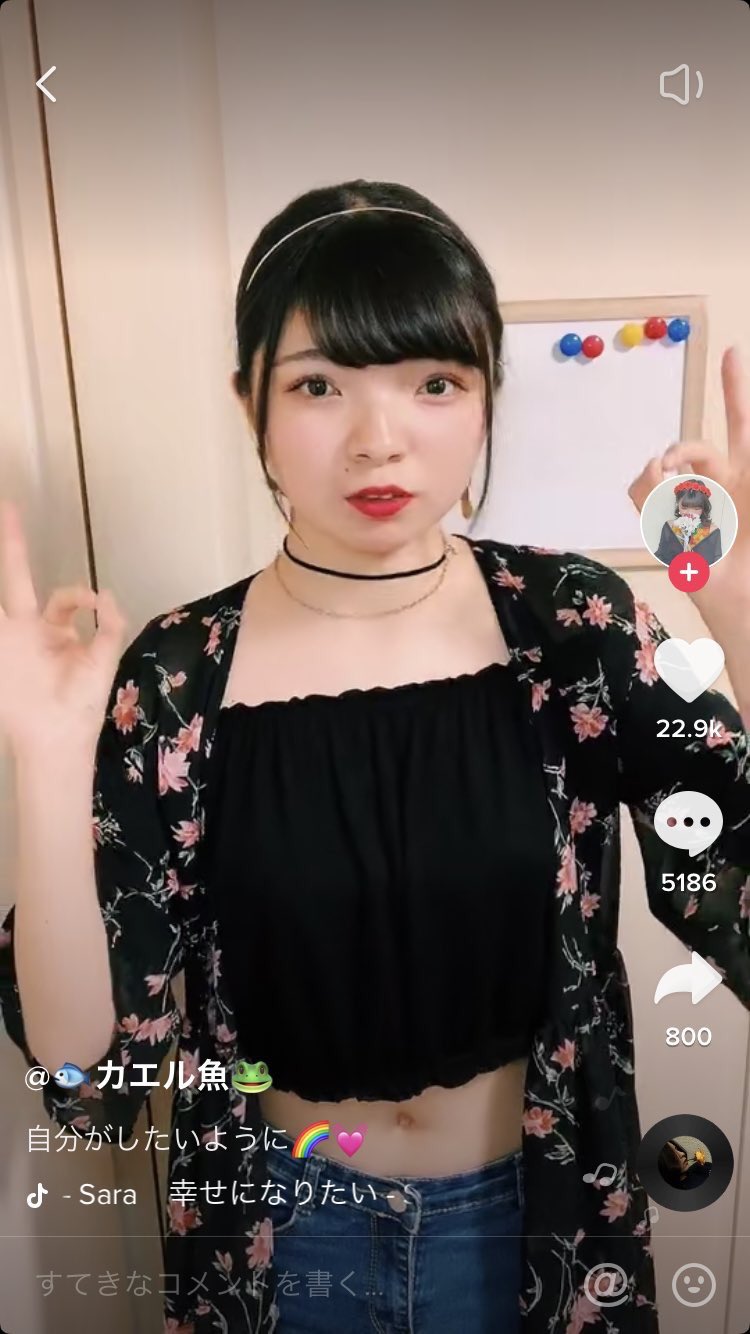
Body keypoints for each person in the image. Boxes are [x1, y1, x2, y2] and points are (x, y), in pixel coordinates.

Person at [1, 178, 749, 1334]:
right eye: (319, 385)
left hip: (534, 1232)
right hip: (284, 1239)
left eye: (434, 382)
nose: (378, 438)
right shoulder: (180, 672)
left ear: (485, 394)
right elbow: (82, 1066)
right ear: (250, 399)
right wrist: (46, 761)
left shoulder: (573, 625)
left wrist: (741, 613)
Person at [654, 477, 723, 565]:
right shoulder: (669, 526)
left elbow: (717, 563)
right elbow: (660, 556)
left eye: (696, 508)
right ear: (678, 504)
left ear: (703, 508)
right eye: (684, 508)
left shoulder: (712, 531)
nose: (690, 513)